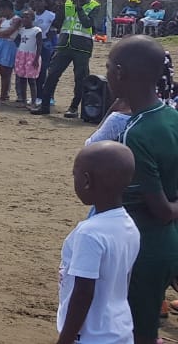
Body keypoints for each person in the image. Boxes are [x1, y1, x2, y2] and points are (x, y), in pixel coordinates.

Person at [103, 36, 178, 343]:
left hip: (141, 246)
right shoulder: (170, 117)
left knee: (137, 330)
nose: (106, 74)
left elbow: (160, 209)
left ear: (120, 73)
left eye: (107, 68)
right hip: (167, 243)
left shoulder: (135, 132)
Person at [55, 141, 140, 344]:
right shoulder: (130, 226)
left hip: (90, 336)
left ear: (86, 181)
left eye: (74, 174)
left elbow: (83, 293)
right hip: (119, 330)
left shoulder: (89, 233)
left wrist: (65, 339)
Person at [34, 0, 102, 118]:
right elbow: (58, 23)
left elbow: (89, 24)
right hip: (64, 45)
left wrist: (79, 8)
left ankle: (74, 107)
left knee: (80, 78)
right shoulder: (67, 4)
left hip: (82, 47)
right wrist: (59, 6)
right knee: (52, 74)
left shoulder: (94, 6)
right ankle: (45, 105)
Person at [14, 8, 44, 109]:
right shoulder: (21, 30)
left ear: (32, 18)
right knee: (22, 78)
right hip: (21, 56)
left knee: (31, 80)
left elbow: (39, 45)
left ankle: (33, 101)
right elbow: (17, 40)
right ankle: (23, 100)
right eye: (23, 17)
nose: (24, 19)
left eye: (27, 17)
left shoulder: (37, 31)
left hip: (32, 56)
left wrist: (36, 58)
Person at [32, 0, 58, 107]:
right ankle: (37, 94)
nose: (38, 3)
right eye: (36, 1)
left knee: (44, 70)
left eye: (40, 1)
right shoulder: (32, 15)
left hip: (46, 44)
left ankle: (46, 95)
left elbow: (56, 28)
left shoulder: (50, 15)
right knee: (35, 71)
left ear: (45, 3)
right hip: (33, 44)